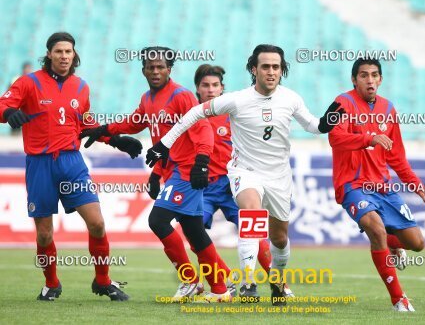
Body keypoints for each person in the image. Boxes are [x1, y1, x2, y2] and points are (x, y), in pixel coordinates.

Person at [145, 44, 343, 306]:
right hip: (243, 172)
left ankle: (278, 281)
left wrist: (325, 123)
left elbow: (313, 125)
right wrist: (164, 144)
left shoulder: (291, 99)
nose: (271, 72)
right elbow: (194, 112)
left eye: (276, 67)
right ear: (254, 69)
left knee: (279, 238)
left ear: (282, 70)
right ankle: (247, 283)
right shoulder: (237, 100)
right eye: (265, 66)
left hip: (278, 176)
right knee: (249, 214)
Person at [80, 46, 232, 302]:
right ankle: (220, 289)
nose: (155, 71)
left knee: (158, 221)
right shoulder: (148, 98)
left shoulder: (181, 96)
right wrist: (104, 130)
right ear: (143, 71)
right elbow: (134, 121)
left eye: (160, 67)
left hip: (187, 171)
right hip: (172, 169)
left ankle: (190, 281)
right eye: (151, 67)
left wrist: (202, 162)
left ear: (169, 69)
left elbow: (203, 129)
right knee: (194, 231)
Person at [0, 32, 142, 301]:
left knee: (97, 224)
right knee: (44, 235)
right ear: (49, 55)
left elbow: (86, 125)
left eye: (69, 52)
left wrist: (117, 141)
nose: (64, 56)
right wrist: (8, 113)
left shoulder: (81, 87)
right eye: (59, 52)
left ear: (74, 55)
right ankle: (51, 284)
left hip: (71, 163)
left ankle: (102, 281)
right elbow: (3, 104)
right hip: (40, 164)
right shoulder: (28, 83)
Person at [328, 58, 425, 312]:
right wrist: (369, 138)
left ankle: (393, 244)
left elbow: (396, 155)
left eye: (374, 75)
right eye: (363, 75)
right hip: (352, 185)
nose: (370, 80)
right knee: (376, 230)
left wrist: (414, 183)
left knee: (417, 243)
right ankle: (399, 298)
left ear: (381, 79)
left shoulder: (389, 109)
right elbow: (335, 137)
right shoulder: (342, 103)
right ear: (354, 80)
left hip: (383, 187)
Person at [192, 64, 294, 301]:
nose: (210, 90)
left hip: (231, 186)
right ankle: (223, 281)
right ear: (197, 89)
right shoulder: (193, 116)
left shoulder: (236, 114)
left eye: (215, 85)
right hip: (204, 189)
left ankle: (278, 283)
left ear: (222, 88)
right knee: (194, 233)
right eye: (205, 85)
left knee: (255, 233)